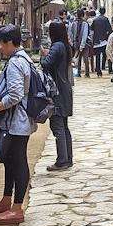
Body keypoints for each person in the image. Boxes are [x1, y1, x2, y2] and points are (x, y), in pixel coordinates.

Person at [0, 25, 36, 225]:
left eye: (0, 43)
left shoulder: (15, 63)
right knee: (11, 160)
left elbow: (15, 94)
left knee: (18, 160)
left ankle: (17, 209)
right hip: (20, 119)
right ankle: (6, 201)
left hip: (16, 120)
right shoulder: (24, 59)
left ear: (10, 42)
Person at [41, 21, 74, 170]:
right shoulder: (65, 46)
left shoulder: (56, 46)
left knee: (58, 127)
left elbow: (46, 64)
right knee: (64, 127)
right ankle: (68, 158)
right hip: (64, 89)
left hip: (57, 92)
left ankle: (62, 160)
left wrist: (43, 56)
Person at [91, 6, 112, 78]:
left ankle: (98, 72)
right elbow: (109, 30)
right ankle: (108, 69)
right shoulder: (105, 19)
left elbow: (92, 29)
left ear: (99, 11)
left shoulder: (95, 20)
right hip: (104, 41)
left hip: (96, 41)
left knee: (97, 57)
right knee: (107, 55)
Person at [70, 9, 91, 77]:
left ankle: (78, 73)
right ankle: (87, 73)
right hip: (85, 44)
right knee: (85, 59)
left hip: (76, 44)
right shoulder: (85, 23)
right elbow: (85, 35)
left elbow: (71, 34)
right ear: (83, 15)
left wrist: (73, 43)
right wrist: (82, 45)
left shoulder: (73, 23)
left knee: (77, 58)